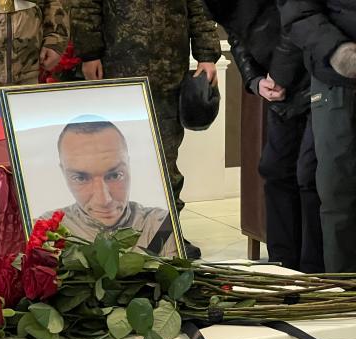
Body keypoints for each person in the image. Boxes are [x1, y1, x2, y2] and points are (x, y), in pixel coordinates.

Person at [70, 0, 221, 259]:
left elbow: (199, 6)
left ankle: (167, 235)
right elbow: (87, 5)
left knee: (166, 160)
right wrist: (90, 53)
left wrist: (207, 56)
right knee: (119, 160)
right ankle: (122, 238)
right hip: (119, 71)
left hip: (169, 74)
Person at [203, 0, 325, 273]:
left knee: (309, 174)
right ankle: (281, 266)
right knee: (275, 169)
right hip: (280, 90)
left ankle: (314, 272)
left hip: (315, 77)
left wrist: (278, 76)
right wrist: (255, 81)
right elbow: (236, 36)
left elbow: (297, 23)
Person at [278, 0, 356, 273]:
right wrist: (338, 52)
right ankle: (344, 289)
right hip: (339, 81)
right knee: (339, 193)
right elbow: (298, 12)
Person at [45, 117, 180, 257]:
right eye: (81, 178)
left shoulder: (159, 225)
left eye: (115, 175)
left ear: (129, 166)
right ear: (63, 173)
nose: (104, 200)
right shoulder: (45, 230)